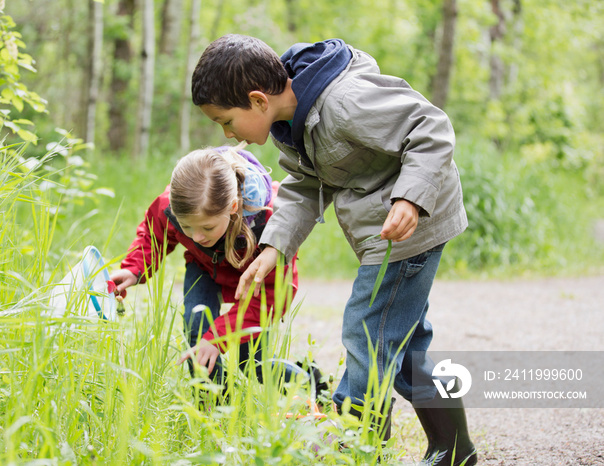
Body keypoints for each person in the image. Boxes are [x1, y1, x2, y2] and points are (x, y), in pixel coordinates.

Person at [191, 34, 477, 465]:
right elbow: (305, 187)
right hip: (385, 231)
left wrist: (411, 198)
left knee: (367, 330)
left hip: (412, 226)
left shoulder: (345, 102)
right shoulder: (291, 124)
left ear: (257, 99)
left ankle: (354, 445)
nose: (229, 135)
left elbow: (431, 127)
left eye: (226, 121)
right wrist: (273, 248)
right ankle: (454, 451)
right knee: (401, 347)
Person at [110, 144, 314, 401]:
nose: (196, 236)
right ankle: (214, 405)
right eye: (186, 227)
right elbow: (154, 236)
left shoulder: (272, 225)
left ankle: (310, 384)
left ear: (232, 206)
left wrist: (217, 338)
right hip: (204, 267)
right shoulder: (174, 206)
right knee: (197, 331)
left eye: (207, 227)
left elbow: (273, 297)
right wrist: (134, 269)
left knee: (251, 364)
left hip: (255, 284)